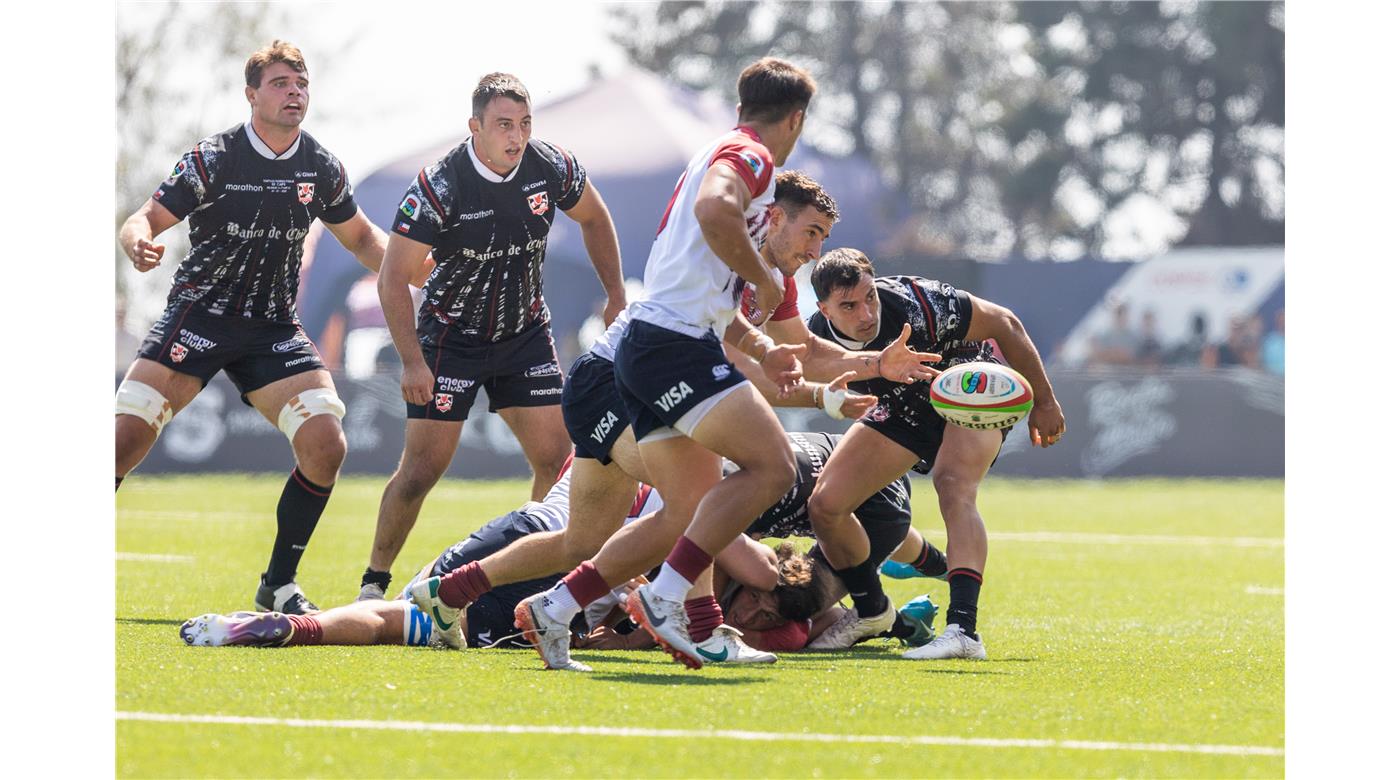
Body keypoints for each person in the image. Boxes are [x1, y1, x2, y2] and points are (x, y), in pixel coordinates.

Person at [408, 169, 936, 670]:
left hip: (614, 381)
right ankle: (697, 625)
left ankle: (451, 592)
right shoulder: (732, 255)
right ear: (775, 217)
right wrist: (820, 396)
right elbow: (744, 368)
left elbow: (801, 350)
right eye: (812, 232)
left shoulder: (774, 278)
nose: (815, 250)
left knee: (581, 540)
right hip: (625, 379)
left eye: (824, 237)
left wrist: (872, 364)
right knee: (698, 498)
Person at [115, 41, 409, 614]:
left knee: (326, 443)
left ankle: (278, 582)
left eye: (301, 84)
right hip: (199, 314)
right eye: (280, 83)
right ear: (252, 95)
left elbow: (364, 240)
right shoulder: (215, 156)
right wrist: (137, 241)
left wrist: (421, 269)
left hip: (272, 327)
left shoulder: (320, 165)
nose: (294, 93)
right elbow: (145, 218)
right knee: (123, 441)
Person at [361, 72, 628, 601]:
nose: (516, 136)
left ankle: (534, 585)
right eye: (504, 124)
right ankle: (373, 585)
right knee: (420, 471)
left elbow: (596, 218)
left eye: (525, 124)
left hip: (524, 333)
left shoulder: (551, 165)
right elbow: (392, 278)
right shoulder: (439, 185)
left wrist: (615, 293)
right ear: (475, 127)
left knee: (556, 463)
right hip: (449, 340)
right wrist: (413, 363)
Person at [177, 459, 774, 655]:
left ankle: (285, 625)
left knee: (406, 617)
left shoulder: (609, 433)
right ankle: (292, 627)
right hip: (557, 566)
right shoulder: (692, 468)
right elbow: (748, 565)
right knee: (405, 624)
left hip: (521, 530)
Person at [802, 248, 1065, 659]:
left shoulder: (918, 302)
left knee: (953, 485)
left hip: (966, 390)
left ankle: (963, 631)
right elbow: (791, 377)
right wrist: (827, 398)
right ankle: (872, 610)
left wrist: (1045, 401)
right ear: (824, 308)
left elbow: (1005, 322)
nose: (866, 313)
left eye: (869, 297)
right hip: (900, 407)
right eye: (848, 306)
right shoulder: (814, 336)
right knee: (825, 504)